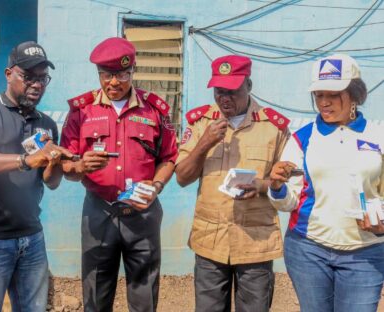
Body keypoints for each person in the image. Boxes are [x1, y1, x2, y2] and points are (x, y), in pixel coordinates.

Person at [60, 37, 178, 312]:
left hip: (143, 215)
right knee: (96, 294)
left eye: (122, 75)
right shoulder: (81, 111)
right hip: (99, 213)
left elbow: (170, 157)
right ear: (99, 74)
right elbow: (65, 164)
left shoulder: (156, 110)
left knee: (144, 297)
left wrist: (156, 186)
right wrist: (79, 167)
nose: (114, 82)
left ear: (132, 72)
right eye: (107, 75)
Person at [0, 41, 71, 312]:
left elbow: (51, 182)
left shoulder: (46, 123)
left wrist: (54, 161)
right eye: (29, 76)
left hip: (32, 238)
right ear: (9, 74)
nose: (37, 84)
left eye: (42, 78)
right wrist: (26, 160)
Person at [268, 54, 384, 312]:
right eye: (319, 95)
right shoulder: (303, 138)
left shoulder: (378, 136)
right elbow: (289, 201)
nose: (324, 102)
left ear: (355, 93)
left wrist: (382, 222)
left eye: (333, 94)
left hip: (365, 252)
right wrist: (276, 186)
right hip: (308, 250)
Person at [175, 55, 290, 312]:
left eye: (232, 91)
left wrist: (261, 186)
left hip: (255, 242)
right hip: (210, 241)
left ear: (248, 85)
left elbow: (287, 185)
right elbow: (182, 177)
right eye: (219, 91)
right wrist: (204, 143)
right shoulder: (201, 123)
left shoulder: (274, 127)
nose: (224, 98)